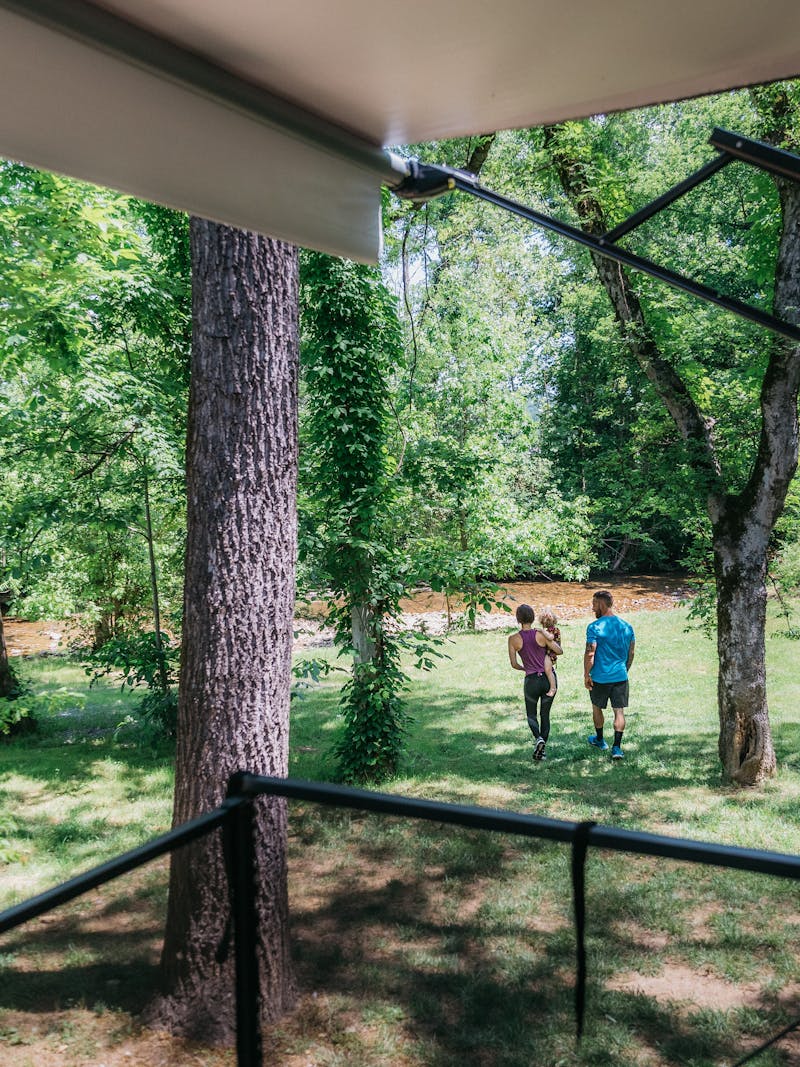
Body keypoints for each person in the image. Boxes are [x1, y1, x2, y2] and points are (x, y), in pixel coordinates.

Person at [584, 590, 635, 760]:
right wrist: (624, 669)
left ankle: (599, 740)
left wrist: (586, 674)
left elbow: (590, 654)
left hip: (600, 677)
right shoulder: (627, 626)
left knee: (597, 708)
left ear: (601, 604)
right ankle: (617, 748)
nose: (592, 608)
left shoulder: (594, 627)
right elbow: (631, 652)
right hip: (620, 676)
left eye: (594, 604)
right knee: (619, 712)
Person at [508, 604, 562, 760]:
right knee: (545, 715)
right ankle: (542, 748)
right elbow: (559, 650)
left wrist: (525, 668)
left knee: (531, 714)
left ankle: (538, 739)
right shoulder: (541, 634)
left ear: (518, 619)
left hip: (531, 681)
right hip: (548, 678)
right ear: (532, 618)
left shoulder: (513, 639)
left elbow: (513, 664)